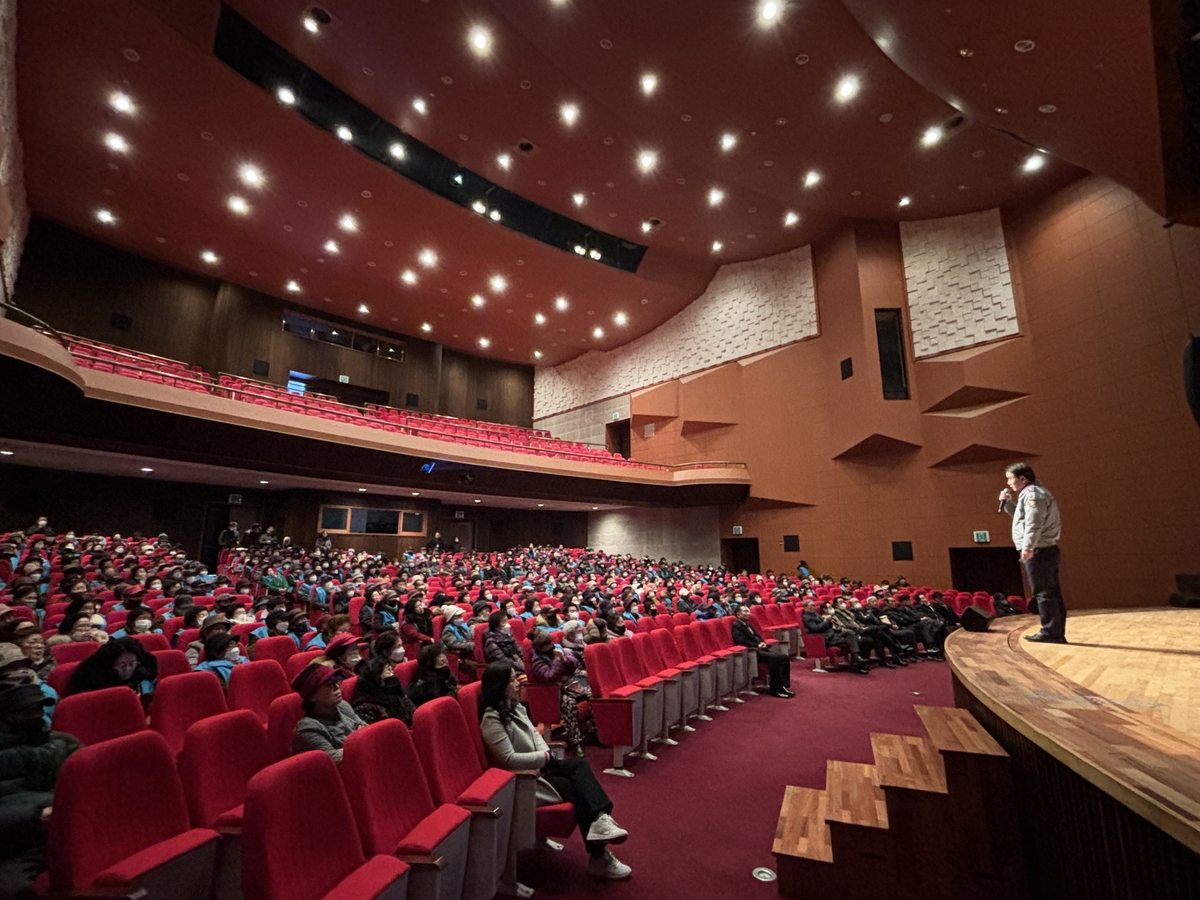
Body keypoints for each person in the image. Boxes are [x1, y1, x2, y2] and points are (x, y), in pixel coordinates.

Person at [478, 661, 631, 883]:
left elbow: (536, 737)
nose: (518, 682)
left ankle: (600, 826)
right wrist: (545, 758)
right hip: (523, 781)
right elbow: (507, 759)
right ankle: (599, 848)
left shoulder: (516, 707)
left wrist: (545, 755)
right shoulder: (492, 719)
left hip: (540, 770)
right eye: (512, 679)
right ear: (499, 685)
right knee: (579, 780)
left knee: (578, 775)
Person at [0, 683, 80, 898]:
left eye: (38, 709)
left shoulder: (61, 742)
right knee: (11, 887)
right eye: (24, 711)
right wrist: (38, 812)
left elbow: (86, 784)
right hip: (17, 840)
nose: (34, 716)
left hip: (68, 827)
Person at [1000, 462, 1067, 643]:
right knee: (1051, 592)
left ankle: (1051, 632)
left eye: (1010, 479)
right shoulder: (1032, 493)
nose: (1009, 483)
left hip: (1039, 550)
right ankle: (1055, 631)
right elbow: (1022, 518)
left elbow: (1033, 523)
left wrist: (1028, 547)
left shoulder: (1033, 495)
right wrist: (1007, 504)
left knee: (1044, 593)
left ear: (1022, 478)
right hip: (1044, 549)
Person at [528, 628, 593, 754]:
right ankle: (576, 741)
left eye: (551, 643)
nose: (552, 646)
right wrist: (557, 661)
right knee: (568, 703)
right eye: (548, 644)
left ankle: (595, 732)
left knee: (593, 694)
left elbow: (574, 664)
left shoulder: (558, 649)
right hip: (553, 693)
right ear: (541, 647)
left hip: (571, 685)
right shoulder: (537, 659)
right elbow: (549, 677)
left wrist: (564, 659)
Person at [290, 663, 364, 764]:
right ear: (312, 696)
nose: (336, 686)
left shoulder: (342, 706)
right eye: (328, 684)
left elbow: (368, 732)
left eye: (336, 680)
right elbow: (339, 763)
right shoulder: (307, 729)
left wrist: (347, 748)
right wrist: (359, 740)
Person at [67, 637, 158, 710]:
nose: (127, 669)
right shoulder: (89, 676)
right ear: (110, 664)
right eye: (122, 665)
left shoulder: (145, 669)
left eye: (131, 664)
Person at [730, 604, 793, 697]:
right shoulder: (736, 626)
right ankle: (775, 689)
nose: (748, 614)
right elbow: (741, 641)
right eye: (745, 612)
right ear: (738, 614)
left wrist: (762, 642)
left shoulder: (749, 625)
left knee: (784, 657)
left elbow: (757, 636)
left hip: (760, 649)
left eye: (748, 611)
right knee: (776, 659)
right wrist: (757, 645)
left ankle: (783, 686)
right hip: (752, 651)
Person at [350, 655, 416, 727]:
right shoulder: (364, 707)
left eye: (392, 670)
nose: (392, 675)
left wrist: (401, 694)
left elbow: (413, 713)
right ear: (376, 677)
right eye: (388, 671)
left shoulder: (394, 690)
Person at [405, 644, 458, 708]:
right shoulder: (420, 688)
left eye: (446, 661)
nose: (446, 666)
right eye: (442, 662)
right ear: (430, 665)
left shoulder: (444, 675)